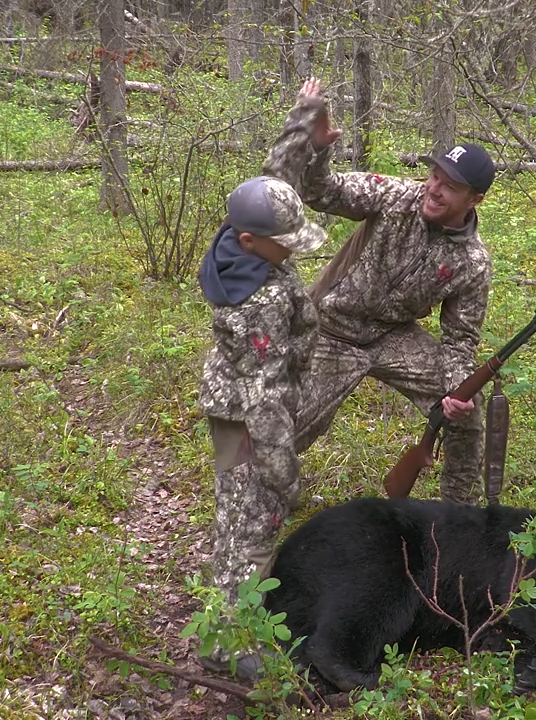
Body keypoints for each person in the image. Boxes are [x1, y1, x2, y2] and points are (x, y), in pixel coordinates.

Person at [262, 78, 495, 504]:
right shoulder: (395, 197)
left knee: (469, 409)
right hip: (333, 327)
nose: (434, 188)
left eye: (451, 185)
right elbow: (322, 192)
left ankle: (458, 516)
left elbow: (460, 342)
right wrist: (319, 148)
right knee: (285, 435)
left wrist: (457, 388)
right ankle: (267, 497)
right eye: (434, 175)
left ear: (474, 199)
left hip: (392, 336)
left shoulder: (472, 262)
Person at [197, 175, 326, 609]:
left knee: (236, 512)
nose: (291, 249)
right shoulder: (259, 301)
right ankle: (232, 640)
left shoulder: (245, 260)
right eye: (284, 240)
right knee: (257, 521)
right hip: (251, 419)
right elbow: (264, 396)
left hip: (234, 405)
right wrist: (283, 472)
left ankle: (229, 610)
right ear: (249, 240)